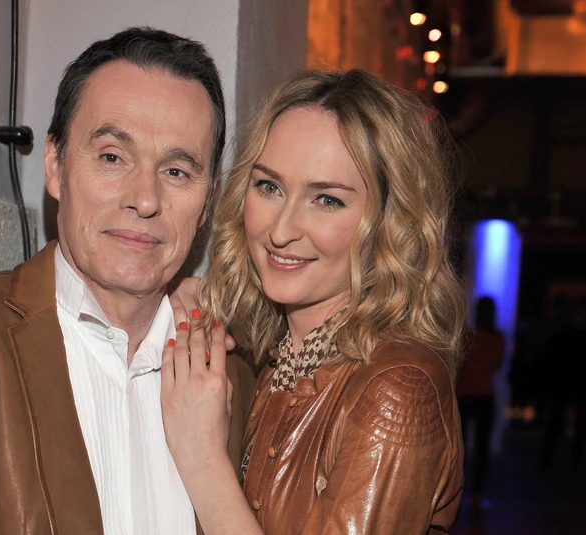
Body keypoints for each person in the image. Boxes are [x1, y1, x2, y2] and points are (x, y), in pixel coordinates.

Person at [0, 27, 254, 534]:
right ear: (55, 165)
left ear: (208, 201)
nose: (145, 199)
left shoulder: (229, 374)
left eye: (177, 171)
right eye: (112, 157)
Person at [161, 69, 466, 534]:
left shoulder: (398, 389)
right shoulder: (276, 362)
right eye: (269, 187)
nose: (281, 230)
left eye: (326, 200)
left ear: (389, 222)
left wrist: (201, 455)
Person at [457, 296, 504, 507]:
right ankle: (477, 491)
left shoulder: (467, 337)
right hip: (485, 395)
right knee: (482, 447)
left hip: (464, 394)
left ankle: (456, 490)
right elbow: (496, 365)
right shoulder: (496, 338)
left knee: (460, 447)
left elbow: (459, 364)